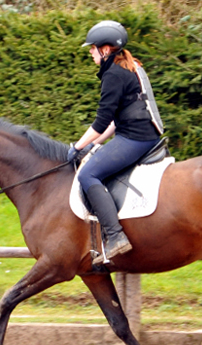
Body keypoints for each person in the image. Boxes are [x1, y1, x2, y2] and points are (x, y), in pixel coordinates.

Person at [67, 20, 163, 264]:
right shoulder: (129, 68)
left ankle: (116, 236)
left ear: (106, 49)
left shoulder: (113, 74)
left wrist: (76, 148)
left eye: (93, 48)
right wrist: (89, 144)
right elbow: (112, 123)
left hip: (135, 138)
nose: (90, 52)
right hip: (140, 134)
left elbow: (101, 121)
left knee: (88, 175)